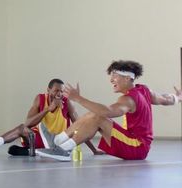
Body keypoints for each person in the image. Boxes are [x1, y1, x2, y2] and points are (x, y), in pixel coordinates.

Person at [36, 60, 182, 161]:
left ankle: (64, 150)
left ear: (127, 78)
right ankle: (57, 141)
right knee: (93, 114)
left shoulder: (129, 99)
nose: (111, 80)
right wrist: (178, 98)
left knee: (98, 116)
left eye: (115, 76)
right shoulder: (144, 90)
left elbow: (106, 112)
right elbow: (165, 99)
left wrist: (78, 98)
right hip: (138, 145)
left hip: (136, 146)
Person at [0, 79, 102, 157]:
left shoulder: (67, 103)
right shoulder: (40, 99)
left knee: (16, 148)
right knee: (22, 128)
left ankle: (31, 152)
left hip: (57, 142)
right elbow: (28, 123)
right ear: (48, 90)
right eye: (56, 90)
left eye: (61, 91)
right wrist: (47, 109)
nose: (59, 94)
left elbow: (80, 126)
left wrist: (93, 150)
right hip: (41, 138)